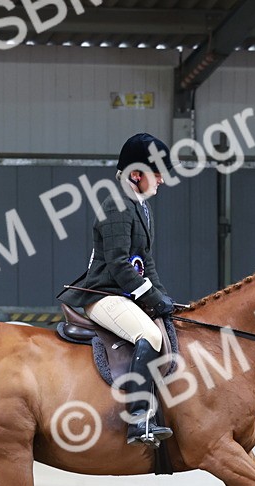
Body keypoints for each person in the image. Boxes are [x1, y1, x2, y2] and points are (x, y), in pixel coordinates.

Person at [58, 133, 176, 447]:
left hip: (124, 294)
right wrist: (151, 298)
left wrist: (163, 299)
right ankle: (138, 418)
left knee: (166, 325)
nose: (162, 179)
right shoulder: (116, 206)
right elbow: (120, 265)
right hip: (103, 295)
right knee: (149, 336)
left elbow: (145, 263)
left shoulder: (142, 208)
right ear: (136, 175)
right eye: (157, 172)